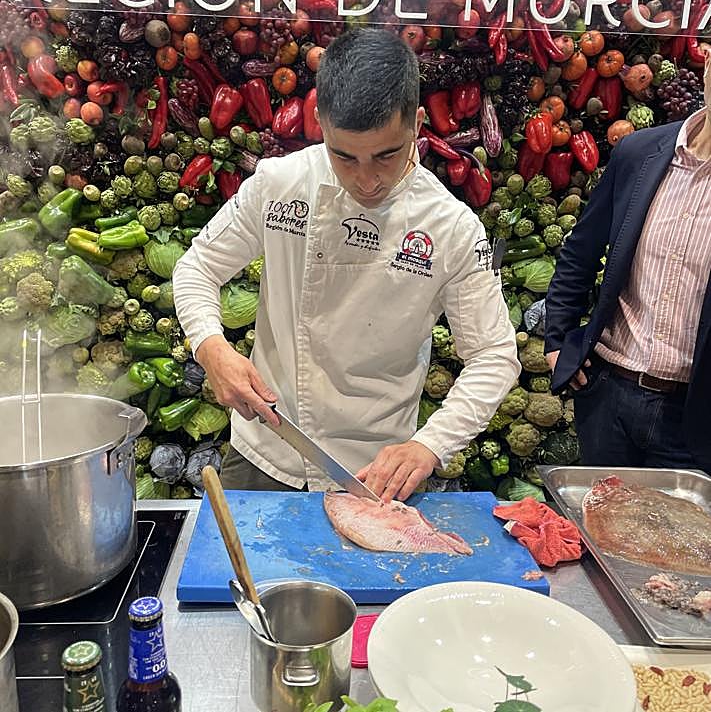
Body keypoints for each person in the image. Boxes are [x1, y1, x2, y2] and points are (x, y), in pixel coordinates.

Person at [173, 28, 519, 502]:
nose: (366, 179)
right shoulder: (280, 183)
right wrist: (211, 347)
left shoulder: (452, 227)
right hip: (264, 450)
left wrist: (429, 446)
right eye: (344, 156)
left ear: (418, 123)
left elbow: (494, 355)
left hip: (374, 470)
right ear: (319, 122)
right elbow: (197, 268)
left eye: (386, 155)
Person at [544, 47, 711, 475]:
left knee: (679, 543)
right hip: (608, 397)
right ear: (708, 67)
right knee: (597, 532)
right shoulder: (640, 152)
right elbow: (581, 250)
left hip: (693, 422)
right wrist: (559, 338)